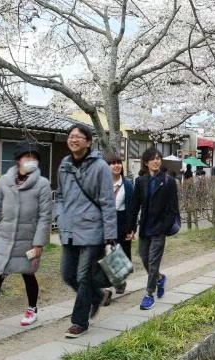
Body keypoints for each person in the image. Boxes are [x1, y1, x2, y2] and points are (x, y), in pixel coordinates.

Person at [0, 141, 52, 332]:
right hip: (4, 238)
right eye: (27, 157)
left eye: (34, 158)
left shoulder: (42, 184)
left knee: (28, 274)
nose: (31, 161)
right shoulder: (4, 181)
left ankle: (32, 309)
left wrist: (39, 242)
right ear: (18, 159)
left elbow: (45, 216)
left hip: (29, 240)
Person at [55, 124, 117, 338]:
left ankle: (79, 322)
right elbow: (60, 196)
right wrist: (59, 216)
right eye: (71, 136)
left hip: (93, 229)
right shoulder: (64, 164)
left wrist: (110, 234)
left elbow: (108, 202)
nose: (74, 140)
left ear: (89, 142)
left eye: (79, 137)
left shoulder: (100, 167)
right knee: (67, 274)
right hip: (69, 229)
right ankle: (98, 296)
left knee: (84, 276)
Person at [126, 147, 180, 310]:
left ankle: (149, 294)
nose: (156, 161)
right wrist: (131, 228)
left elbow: (173, 208)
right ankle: (159, 278)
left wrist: (165, 226)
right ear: (146, 162)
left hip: (160, 228)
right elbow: (135, 206)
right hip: (145, 227)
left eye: (158, 158)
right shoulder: (140, 181)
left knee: (153, 260)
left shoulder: (168, 181)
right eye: (153, 159)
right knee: (143, 257)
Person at [101, 153, 134, 306]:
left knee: (120, 256)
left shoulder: (127, 185)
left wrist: (131, 229)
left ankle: (120, 279)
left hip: (121, 225)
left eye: (118, 163)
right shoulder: (101, 184)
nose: (116, 166)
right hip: (104, 225)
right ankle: (107, 290)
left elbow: (131, 209)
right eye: (112, 163)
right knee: (107, 255)